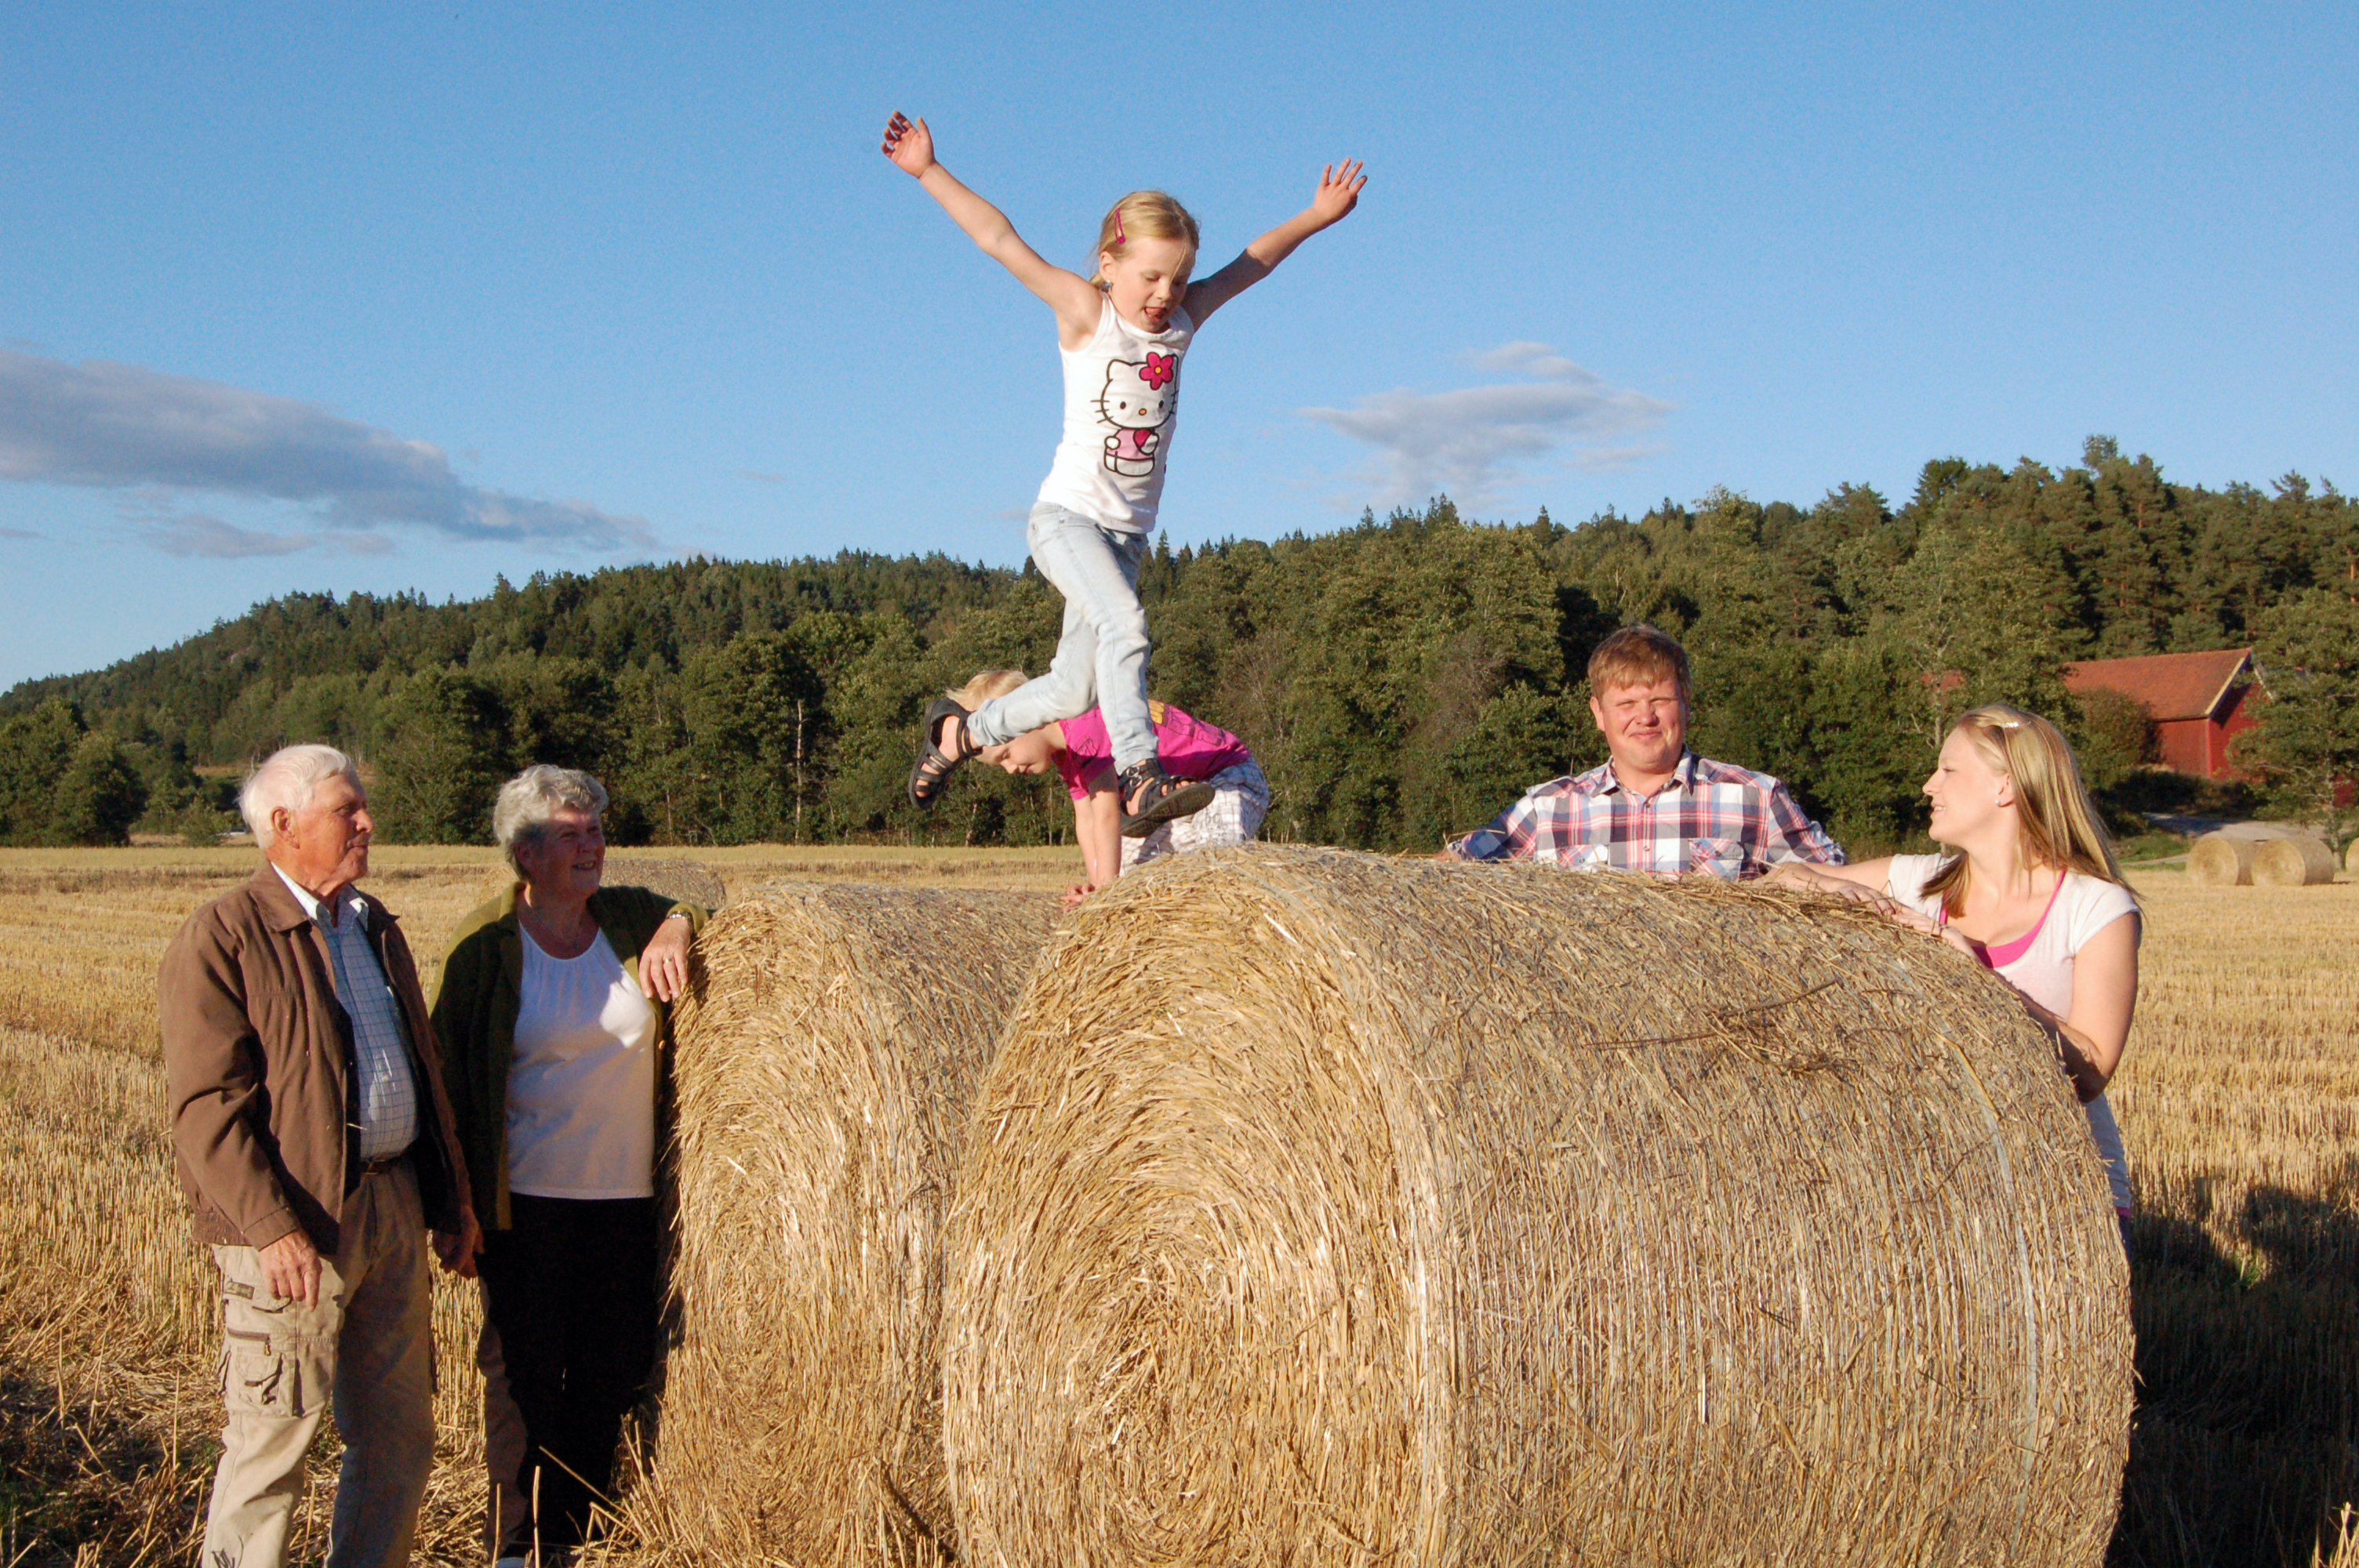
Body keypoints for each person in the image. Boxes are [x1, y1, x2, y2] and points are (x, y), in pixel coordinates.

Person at [881, 108, 1365, 835]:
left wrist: (1317, 216)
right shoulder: (1087, 313)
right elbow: (999, 239)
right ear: (1108, 264)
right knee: (1126, 625)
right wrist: (928, 171)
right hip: (1068, 519)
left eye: (1176, 277)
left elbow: (1253, 262)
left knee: (1075, 687)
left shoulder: (1183, 322)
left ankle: (963, 733)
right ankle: (1142, 774)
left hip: (1125, 537)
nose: (1164, 292)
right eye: (1149, 276)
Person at [159, 744, 478, 1568]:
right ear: (283, 823)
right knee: (271, 1447)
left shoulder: (373, 925)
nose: (368, 820)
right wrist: (273, 1227)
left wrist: (449, 1202)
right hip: (297, 1229)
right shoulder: (224, 934)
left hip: (393, 1209)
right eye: (349, 808)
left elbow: (422, 1071)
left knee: (399, 1440)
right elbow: (206, 1107)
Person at [430, 766, 706, 1566]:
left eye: (596, 829)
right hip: (524, 1203)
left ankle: (573, 1535)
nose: (592, 846)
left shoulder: (626, 916)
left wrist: (678, 927)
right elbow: (445, 1076)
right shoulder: (485, 946)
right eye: (571, 833)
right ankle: (515, 1542)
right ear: (524, 852)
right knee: (521, 1377)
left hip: (624, 1200)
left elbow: (704, 905)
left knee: (609, 1370)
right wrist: (456, 1204)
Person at [1765, 705, 2142, 1234]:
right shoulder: (1918, 880)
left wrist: (1972, 973)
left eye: (1948, 769)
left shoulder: (2096, 908)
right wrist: (1837, 889)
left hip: (2068, 1187)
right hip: (1943, 1186)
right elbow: (1779, 879)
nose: (1928, 785)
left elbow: (2093, 1072)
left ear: (2004, 787)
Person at [1448, 622, 1844, 877]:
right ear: (1598, 714)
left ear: (1686, 702)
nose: (1645, 718)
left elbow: (1837, 882)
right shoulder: (1547, 810)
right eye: (1626, 705)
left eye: (1660, 700)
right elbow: (1446, 876)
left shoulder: (1755, 798)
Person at [948, 669, 1268, 903]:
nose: (1010, 769)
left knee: (1216, 868)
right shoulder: (1067, 755)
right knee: (1129, 869)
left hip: (1228, 775)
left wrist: (1105, 891)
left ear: (1028, 719)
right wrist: (1095, 884)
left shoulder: (1086, 726)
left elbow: (1106, 816)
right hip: (1178, 799)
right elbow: (1085, 820)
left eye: (1006, 754)